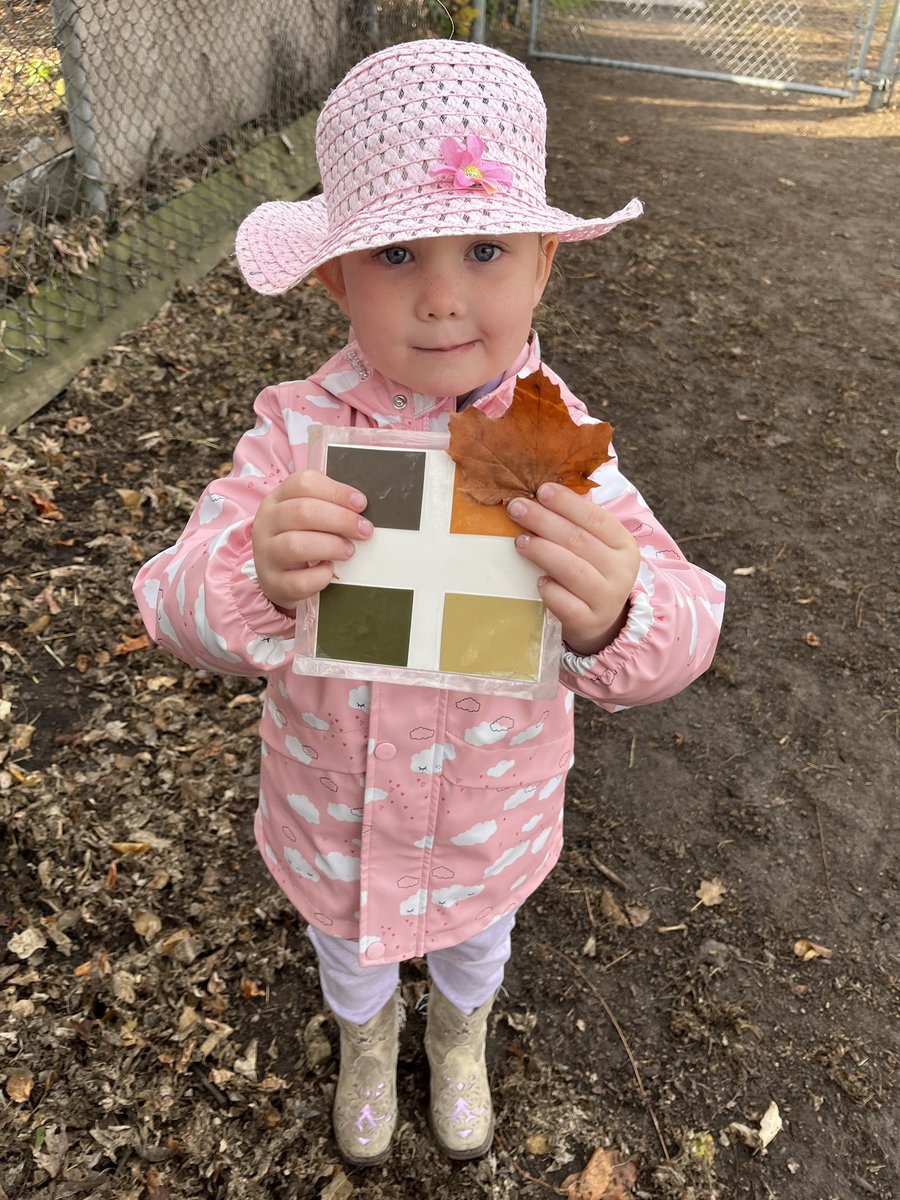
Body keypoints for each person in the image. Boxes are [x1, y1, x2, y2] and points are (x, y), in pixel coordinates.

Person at [133, 38, 725, 1168]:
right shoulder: (296, 439)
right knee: (347, 955)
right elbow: (165, 597)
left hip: (485, 821)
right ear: (334, 279)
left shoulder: (563, 452)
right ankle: (367, 1039)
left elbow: (689, 619)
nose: (445, 298)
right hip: (330, 814)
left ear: (546, 264)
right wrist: (250, 574)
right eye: (397, 253)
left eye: (488, 249)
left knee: (478, 945)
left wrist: (618, 612)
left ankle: (459, 1035)